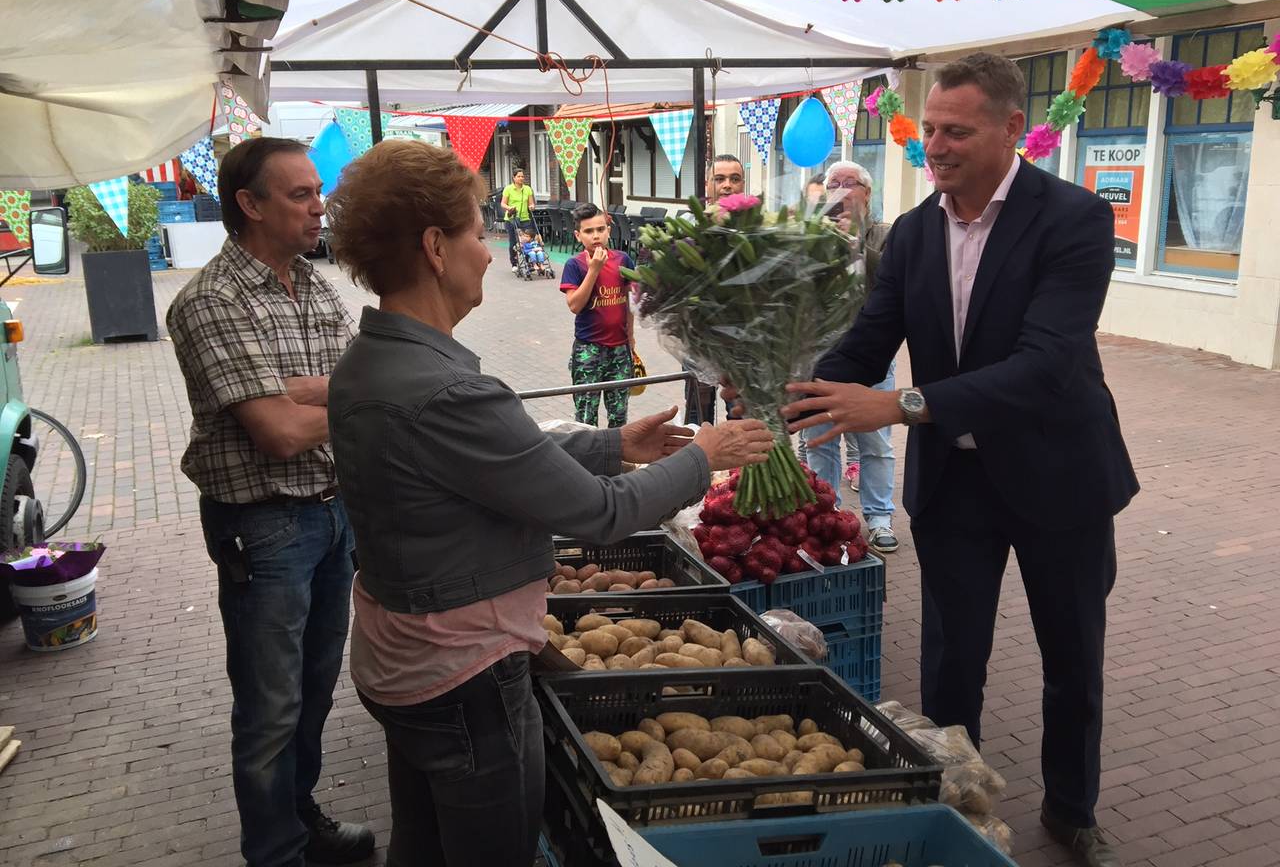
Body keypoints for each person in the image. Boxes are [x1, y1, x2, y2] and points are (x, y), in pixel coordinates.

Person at [323, 139, 775, 867]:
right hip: (461, 670)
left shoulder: (374, 362)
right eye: (477, 232)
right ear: (436, 247)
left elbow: (496, 461)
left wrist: (614, 443)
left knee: (424, 844)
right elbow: (599, 515)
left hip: (401, 657)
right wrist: (704, 457)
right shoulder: (445, 390)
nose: (489, 252)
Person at [776, 54, 1138, 867]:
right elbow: (871, 339)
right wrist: (787, 389)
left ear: (1013, 128)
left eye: (955, 132)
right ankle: (951, 807)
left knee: (1072, 658)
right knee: (950, 663)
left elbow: (1046, 365)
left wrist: (901, 405)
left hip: (1059, 477)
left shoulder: (1074, 219)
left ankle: (1072, 812)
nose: (935, 147)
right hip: (955, 484)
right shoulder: (911, 231)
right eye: (930, 130)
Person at [166, 137, 374, 867]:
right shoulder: (210, 302)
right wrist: (348, 397)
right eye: (300, 194)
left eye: (319, 191)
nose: (321, 206)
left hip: (331, 512)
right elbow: (281, 432)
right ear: (250, 205)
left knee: (316, 687)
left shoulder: (313, 285)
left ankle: (299, 816)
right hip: (265, 526)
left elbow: (355, 375)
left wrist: (317, 390)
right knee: (270, 707)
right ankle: (275, 853)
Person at [799, 160, 899, 553]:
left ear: (868, 193)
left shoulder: (887, 235)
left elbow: (891, 284)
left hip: (871, 355)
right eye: (833, 183)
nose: (840, 190)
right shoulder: (813, 235)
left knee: (875, 442)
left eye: (849, 183)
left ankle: (878, 517)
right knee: (819, 441)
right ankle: (827, 514)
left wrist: (855, 248)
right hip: (821, 356)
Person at [682, 153, 747, 424]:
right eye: (719, 179)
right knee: (699, 412)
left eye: (735, 179)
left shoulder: (756, 228)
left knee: (741, 413)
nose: (727, 185)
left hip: (743, 342)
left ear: (743, 184)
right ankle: (698, 465)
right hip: (699, 340)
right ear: (708, 185)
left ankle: (739, 469)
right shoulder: (691, 226)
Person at [561, 202, 635, 428]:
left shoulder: (623, 260)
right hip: (588, 351)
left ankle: (619, 461)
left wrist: (630, 338)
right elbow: (574, 305)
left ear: (608, 231)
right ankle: (587, 462)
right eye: (589, 231)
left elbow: (629, 302)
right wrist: (594, 269)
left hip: (620, 350)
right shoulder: (575, 265)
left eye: (600, 229)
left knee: (619, 415)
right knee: (585, 416)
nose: (596, 236)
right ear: (578, 235)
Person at [501, 168, 535, 273]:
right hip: (512, 218)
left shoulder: (527, 189)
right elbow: (503, 204)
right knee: (514, 242)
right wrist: (509, 208)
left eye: (522, 176)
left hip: (525, 218)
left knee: (528, 240)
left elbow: (531, 203)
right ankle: (514, 263)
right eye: (518, 176)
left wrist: (532, 206)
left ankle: (529, 263)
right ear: (514, 178)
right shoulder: (508, 189)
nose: (521, 178)